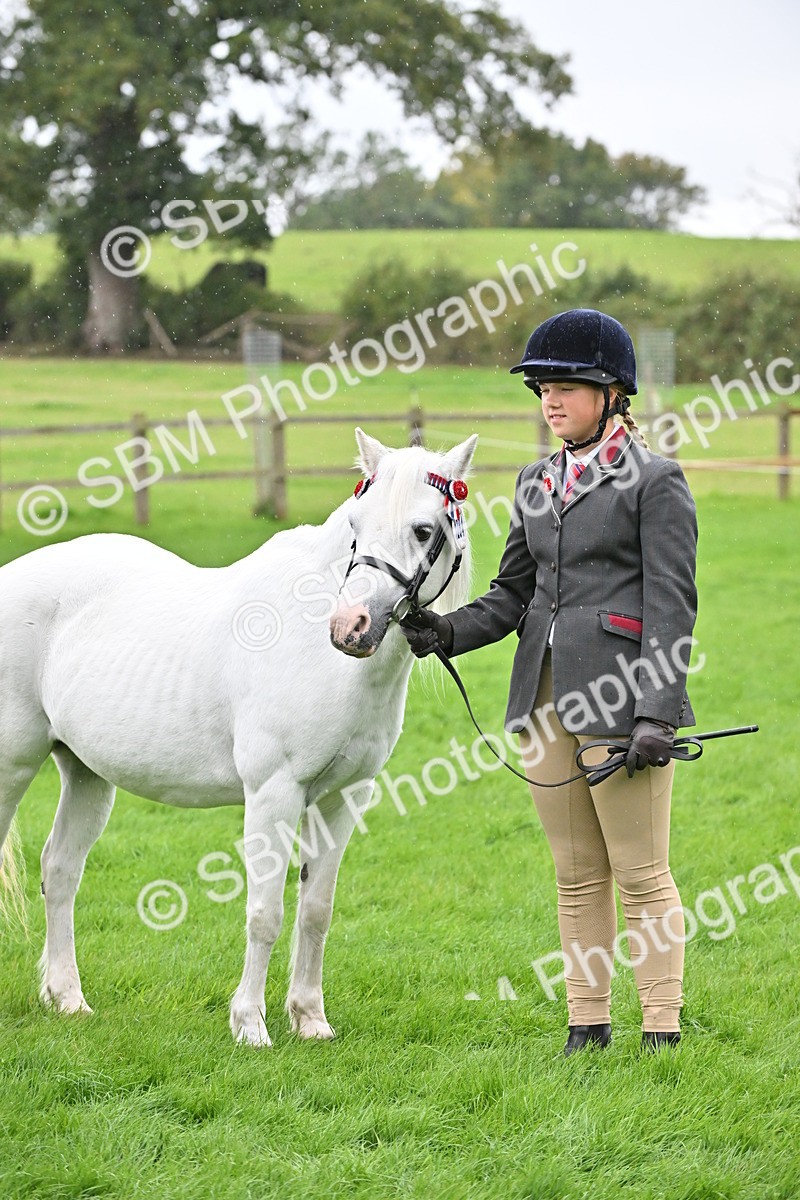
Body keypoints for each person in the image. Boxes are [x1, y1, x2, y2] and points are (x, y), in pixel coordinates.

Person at [401, 308, 698, 1056]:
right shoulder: (536, 480)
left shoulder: (655, 481)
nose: (551, 401)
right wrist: (447, 631)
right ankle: (586, 1025)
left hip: (621, 702)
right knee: (575, 876)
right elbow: (511, 595)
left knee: (641, 874)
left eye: (567, 386)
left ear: (611, 393)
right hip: (541, 699)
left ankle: (661, 1030)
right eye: (543, 388)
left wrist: (657, 712)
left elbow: (672, 601)